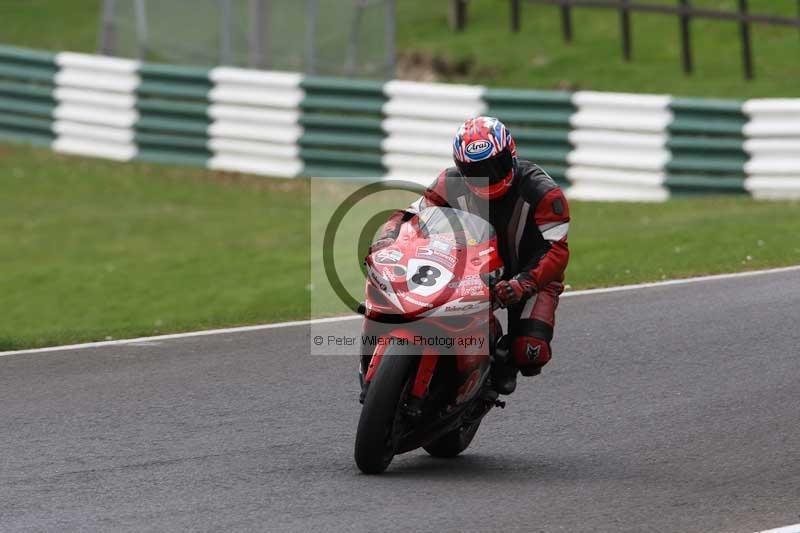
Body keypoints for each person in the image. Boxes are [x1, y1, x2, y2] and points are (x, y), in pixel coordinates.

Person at [362, 116, 570, 394]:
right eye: (476, 170)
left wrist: (523, 283)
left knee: (531, 353)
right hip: (469, 266)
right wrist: (388, 238)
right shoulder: (449, 181)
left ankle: (496, 367)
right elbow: (411, 216)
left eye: (495, 166)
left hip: (529, 274)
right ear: (462, 167)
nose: (489, 176)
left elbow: (556, 251)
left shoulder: (544, 193)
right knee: (391, 301)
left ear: (511, 154)